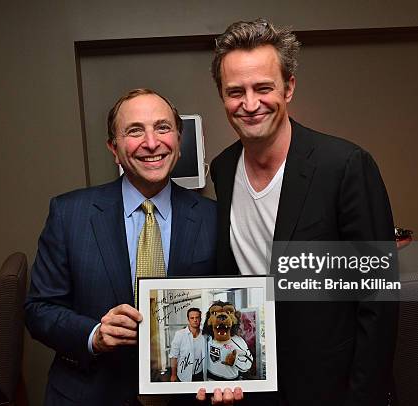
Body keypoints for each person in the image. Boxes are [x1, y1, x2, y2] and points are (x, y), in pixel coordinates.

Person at [208, 19, 399, 405]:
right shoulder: (223, 168)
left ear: (289, 87)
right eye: (235, 91)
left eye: (263, 87)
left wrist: (363, 396)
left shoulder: (344, 165)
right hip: (253, 379)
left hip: (330, 384)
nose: (249, 104)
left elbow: (378, 299)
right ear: (222, 96)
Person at [25, 88, 218, 405]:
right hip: (90, 394)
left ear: (179, 143)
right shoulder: (69, 214)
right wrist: (94, 335)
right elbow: (38, 310)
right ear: (113, 149)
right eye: (134, 131)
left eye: (163, 128)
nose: (152, 142)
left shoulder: (215, 219)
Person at [169, 308, 205, 382]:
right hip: (184, 375)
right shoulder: (180, 334)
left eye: (197, 317)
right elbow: (173, 356)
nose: (195, 320)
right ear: (188, 319)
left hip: (200, 374)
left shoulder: (205, 335)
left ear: (200, 319)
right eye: (192, 318)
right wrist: (173, 375)